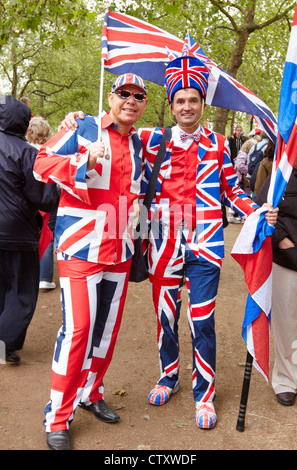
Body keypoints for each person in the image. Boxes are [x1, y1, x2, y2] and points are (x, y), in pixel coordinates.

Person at [62, 56, 278, 431]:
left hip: (205, 244)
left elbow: (231, 190)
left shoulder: (220, 143)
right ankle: (169, 375)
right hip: (161, 242)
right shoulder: (150, 139)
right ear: (172, 105)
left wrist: (257, 211)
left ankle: (204, 393)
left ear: (202, 105)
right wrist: (79, 119)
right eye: (180, 100)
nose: (187, 107)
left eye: (193, 100)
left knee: (202, 321)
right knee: (165, 318)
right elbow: (113, 129)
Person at [33, 73, 148, 450]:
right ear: (112, 97)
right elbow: (40, 163)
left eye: (139, 96)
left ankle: (90, 391)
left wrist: (137, 209)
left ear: (144, 104)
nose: (131, 99)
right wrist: (82, 160)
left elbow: (135, 189)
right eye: (124, 93)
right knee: (78, 330)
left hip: (119, 249)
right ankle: (58, 415)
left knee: (105, 331)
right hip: (81, 247)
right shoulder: (81, 126)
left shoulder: (139, 144)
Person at [0, 96, 58, 364]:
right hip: (17, 232)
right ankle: (5, 345)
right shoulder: (28, 154)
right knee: (21, 291)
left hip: (12, 230)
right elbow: (44, 198)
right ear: (24, 122)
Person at [256, 148, 297, 407]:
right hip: (288, 260)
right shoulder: (279, 176)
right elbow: (262, 211)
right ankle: (286, 380)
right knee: (288, 323)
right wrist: (282, 240)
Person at [26, 117, 58, 290]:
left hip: (28, 198)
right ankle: (44, 276)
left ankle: (28, 274)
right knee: (48, 232)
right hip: (49, 195)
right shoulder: (51, 150)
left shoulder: (24, 150)